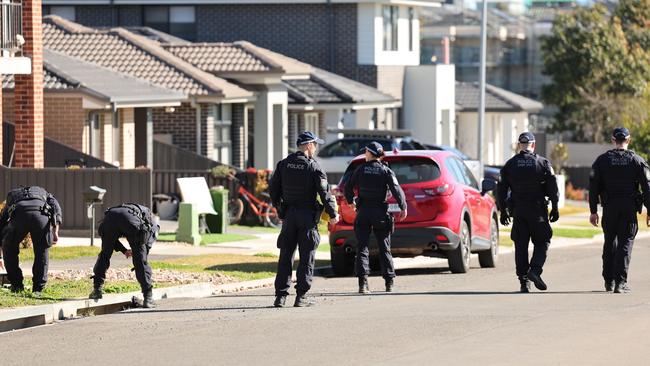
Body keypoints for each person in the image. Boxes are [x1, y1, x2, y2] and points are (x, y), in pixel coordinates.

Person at [270, 131, 339, 307]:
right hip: (307, 217)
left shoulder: (283, 164)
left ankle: (280, 296)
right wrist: (333, 214)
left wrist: (281, 211)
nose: (315, 148)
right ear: (308, 145)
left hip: (290, 217)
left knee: (286, 256)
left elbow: (273, 190)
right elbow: (325, 193)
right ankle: (301, 297)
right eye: (314, 144)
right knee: (307, 257)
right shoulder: (313, 167)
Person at [588, 127, 650, 293]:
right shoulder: (637, 161)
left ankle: (609, 281)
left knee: (610, 243)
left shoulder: (601, 161)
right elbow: (647, 188)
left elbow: (593, 188)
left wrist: (593, 211)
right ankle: (620, 283)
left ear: (613, 140)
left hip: (609, 208)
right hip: (629, 208)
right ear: (628, 140)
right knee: (625, 244)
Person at [497, 132, 559, 293]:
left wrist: (503, 211)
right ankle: (535, 270)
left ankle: (524, 282)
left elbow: (501, 190)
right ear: (533, 145)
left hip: (518, 212)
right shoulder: (543, 163)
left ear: (519, 145)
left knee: (521, 246)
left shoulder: (510, 165)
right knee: (543, 241)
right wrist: (555, 207)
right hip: (538, 211)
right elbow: (553, 187)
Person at [344, 142, 407, 294]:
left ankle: (363, 284)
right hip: (380, 212)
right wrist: (403, 207)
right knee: (384, 247)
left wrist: (350, 201)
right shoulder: (386, 171)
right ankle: (389, 282)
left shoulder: (360, 169)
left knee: (362, 248)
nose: (364, 154)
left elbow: (348, 187)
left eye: (365, 152)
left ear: (370, 153)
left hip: (363, 212)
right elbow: (396, 189)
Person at [89, 203, 160, 308]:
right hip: (129, 220)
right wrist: (140, 252)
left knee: (105, 254)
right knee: (140, 261)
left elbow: (111, 239)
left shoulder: (130, 212)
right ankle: (148, 298)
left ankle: (97, 290)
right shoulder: (152, 223)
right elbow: (146, 243)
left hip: (110, 217)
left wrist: (124, 250)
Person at [0, 186, 62, 294]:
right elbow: (56, 207)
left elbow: (3, 221)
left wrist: (2, 247)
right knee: (41, 251)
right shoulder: (44, 193)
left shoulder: (12, 195)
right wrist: (55, 230)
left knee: (9, 248)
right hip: (41, 216)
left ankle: (17, 285)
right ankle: (38, 289)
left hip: (20, 215)